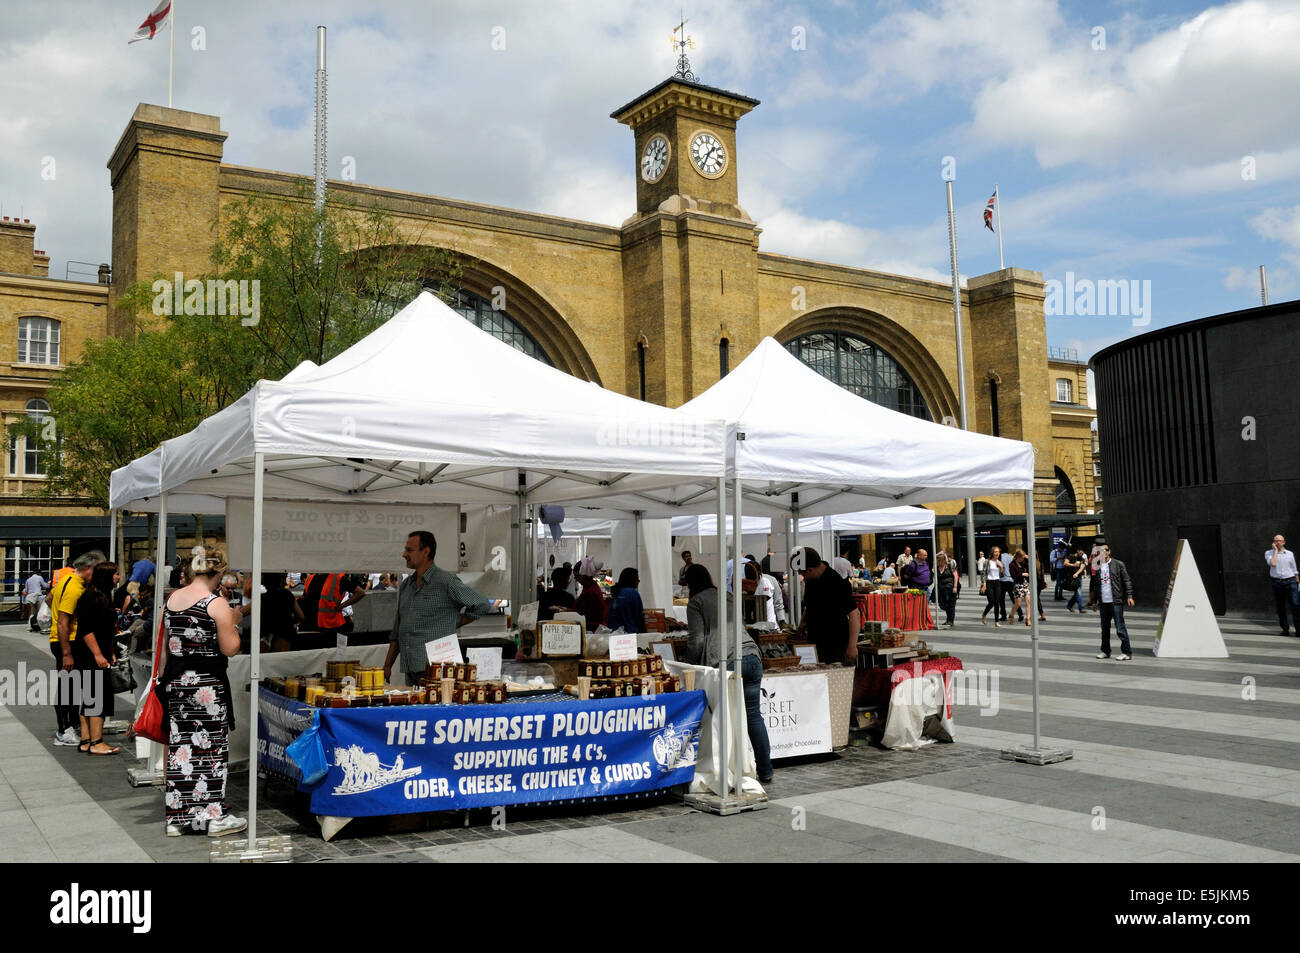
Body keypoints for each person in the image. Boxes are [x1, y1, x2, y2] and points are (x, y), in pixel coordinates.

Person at [160, 553, 244, 836]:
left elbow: (165, 646)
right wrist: (234, 622)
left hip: (176, 683)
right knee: (210, 749)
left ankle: (179, 818)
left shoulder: (172, 600)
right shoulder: (215, 603)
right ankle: (212, 816)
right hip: (206, 685)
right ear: (216, 574)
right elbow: (230, 647)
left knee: (181, 749)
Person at [682, 563, 772, 782]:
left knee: (721, 718)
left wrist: (687, 665)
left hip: (727, 661)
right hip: (751, 656)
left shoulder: (696, 602)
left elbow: (697, 640)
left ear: (691, 583)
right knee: (753, 716)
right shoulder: (728, 596)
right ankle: (766, 770)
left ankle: (727, 771)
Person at [383, 532, 493, 685]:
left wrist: (456, 621)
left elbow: (482, 604)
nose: (404, 554)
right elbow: (397, 630)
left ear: (426, 551)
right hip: (411, 668)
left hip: (439, 670)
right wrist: (387, 665)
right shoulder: (406, 585)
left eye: (409, 550)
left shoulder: (446, 582)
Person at [49, 550, 105, 746]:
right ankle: (63, 729)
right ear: (89, 568)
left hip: (65, 640)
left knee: (72, 685)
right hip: (66, 642)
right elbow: (63, 622)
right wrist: (67, 653)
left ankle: (71, 724)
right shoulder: (74, 588)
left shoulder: (66, 580)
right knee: (68, 686)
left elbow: (49, 599)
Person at [73, 561, 122, 756]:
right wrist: (98, 655)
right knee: (98, 697)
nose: (118, 577)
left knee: (90, 696)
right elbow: (86, 630)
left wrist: (109, 651)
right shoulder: (90, 597)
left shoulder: (104, 597)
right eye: (115, 574)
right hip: (89, 654)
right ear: (106, 576)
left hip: (98, 651)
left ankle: (86, 740)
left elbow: (106, 629)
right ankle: (96, 742)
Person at [793, 546, 860, 665]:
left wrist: (852, 646)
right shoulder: (811, 580)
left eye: (801, 572)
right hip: (815, 642)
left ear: (809, 570)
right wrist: (802, 623)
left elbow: (854, 614)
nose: (801, 575)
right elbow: (809, 605)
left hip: (834, 643)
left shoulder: (836, 582)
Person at [1095, 544, 1135, 660]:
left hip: (1116, 601)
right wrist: (1093, 601)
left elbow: (1127, 580)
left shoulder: (1118, 564)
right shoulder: (1097, 565)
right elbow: (1095, 584)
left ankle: (1127, 652)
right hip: (1103, 603)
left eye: (1105, 550)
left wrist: (1130, 596)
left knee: (1120, 628)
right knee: (1104, 629)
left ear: (1109, 552)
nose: (1103, 552)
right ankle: (1105, 651)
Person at [301, 571, 367, 639]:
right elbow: (304, 601)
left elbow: (360, 593)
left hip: (332, 627)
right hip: (313, 627)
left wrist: (342, 606)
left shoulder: (338, 578)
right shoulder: (309, 579)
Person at [253, 572, 304, 652]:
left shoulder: (263, 598)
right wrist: (288, 621)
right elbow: (301, 616)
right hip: (288, 636)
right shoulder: (288, 594)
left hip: (269, 638)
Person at [1266, 534, 1299, 637]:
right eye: (1276, 541)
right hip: (1277, 583)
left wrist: (1298, 583)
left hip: (1291, 581)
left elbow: (1294, 569)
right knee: (1280, 607)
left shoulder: (1290, 554)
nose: (1278, 542)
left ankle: (1299, 630)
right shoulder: (1268, 553)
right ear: (1273, 542)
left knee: (1296, 604)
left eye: (1280, 541)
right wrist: (1275, 551)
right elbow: (1273, 563)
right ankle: (1285, 629)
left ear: (1284, 542)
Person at [605, 568, 646, 633]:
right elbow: (639, 617)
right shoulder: (633, 593)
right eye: (637, 578)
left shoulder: (616, 593)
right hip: (629, 634)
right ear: (631, 580)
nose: (639, 581)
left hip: (613, 633)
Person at [573, 556, 606, 632]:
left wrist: (564, 611)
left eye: (576, 577)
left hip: (592, 628)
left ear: (583, 576)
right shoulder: (589, 587)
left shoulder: (591, 591)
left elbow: (582, 612)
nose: (576, 579)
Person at [981, 545, 1006, 626]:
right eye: (995, 552)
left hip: (997, 583)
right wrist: (984, 584)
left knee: (997, 602)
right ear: (992, 553)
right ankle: (984, 614)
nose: (997, 553)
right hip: (989, 583)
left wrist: (1001, 567)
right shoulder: (987, 562)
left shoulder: (999, 562)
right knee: (991, 602)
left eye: (998, 552)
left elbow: (1002, 575)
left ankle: (996, 621)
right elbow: (984, 573)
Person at [1008, 549, 1031, 627]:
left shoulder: (1024, 563)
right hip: (1017, 585)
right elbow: (1013, 576)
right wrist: (1023, 574)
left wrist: (1028, 558)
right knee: (1018, 603)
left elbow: (1031, 565)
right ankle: (1011, 615)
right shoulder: (1012, 564)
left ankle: (1028, 619)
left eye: (1023, 557)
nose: (1023, 559)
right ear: (1017, 556)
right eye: (1022, 557)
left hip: (1025, 584)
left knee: (1028, 601)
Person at [935, 552, 958, 627]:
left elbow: (956, 576)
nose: (937, 562)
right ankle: (948, 619)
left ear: (942, 560)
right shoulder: (937, 568)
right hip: (941, 589)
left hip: (950, 588)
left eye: (938, 560)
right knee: (943, 605)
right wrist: (939, 553)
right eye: (937, 561)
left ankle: (950, 621)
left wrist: (955, 586)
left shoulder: (949, 566)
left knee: (951, 605)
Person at [1063, 548, 1086, 613]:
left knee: (1077, 593)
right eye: (1080, 553)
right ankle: (1080, 609)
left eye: (1082, 553)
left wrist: (1077, 573)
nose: (1081, 554)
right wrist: (1073, 565)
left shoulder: (1082, 559)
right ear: (1077, 551)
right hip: (1071, 578)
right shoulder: (1071, 556)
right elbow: (1065, 563)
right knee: (1078, 593)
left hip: (1078, 578)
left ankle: (1069, 606)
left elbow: (1082, 568)